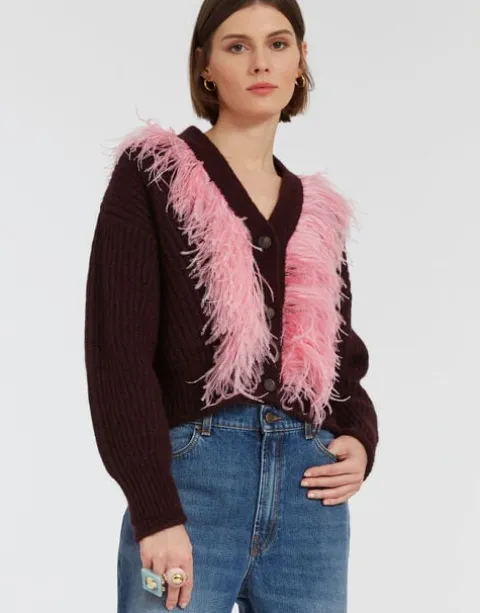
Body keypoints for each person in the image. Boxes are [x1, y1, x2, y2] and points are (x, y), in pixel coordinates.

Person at [84, 1, 379, 611]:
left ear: (301, 61)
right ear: (205, 65)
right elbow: (118, 352)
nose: (260, 62)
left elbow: (339, 358)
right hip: (191, 488)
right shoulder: (155, 174)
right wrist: (155, 510)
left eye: (278, 44)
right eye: (237, 46)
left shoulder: (318, 211)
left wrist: (360, 438)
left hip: (311, 498)